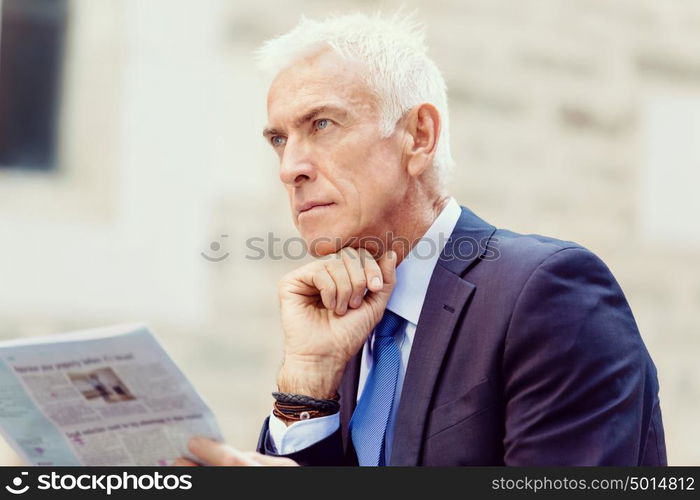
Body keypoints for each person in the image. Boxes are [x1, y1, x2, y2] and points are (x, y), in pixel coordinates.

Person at [175, 13, 666, 466]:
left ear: (419, 136)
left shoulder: (548, 292)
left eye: (321, 124)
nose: (290, 169)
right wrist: (307, 383)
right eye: (279, 140)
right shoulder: (339, 321)